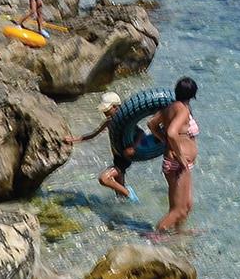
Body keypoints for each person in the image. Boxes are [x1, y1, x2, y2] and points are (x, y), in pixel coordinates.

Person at [67, 92, 141, 202]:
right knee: (119, 193)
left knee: (104, 179)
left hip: (124, 158)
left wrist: (133, 148)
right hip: (117, 158)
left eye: (107, 110)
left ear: (116, 107)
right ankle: (129, 205)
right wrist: (74, 139)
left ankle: (130, 194)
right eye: (104, 110)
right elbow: (93, 134)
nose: (105, 113)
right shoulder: (109, 122)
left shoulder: (125, 121)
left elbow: (141, 133)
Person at [152, 77, 200, 233]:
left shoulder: (170, 108)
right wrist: (180, 156)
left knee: (187, 205)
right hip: (179, 163)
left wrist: (164, 141)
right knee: (178, 210)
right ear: (193, 94)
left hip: (179, 162)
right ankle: (155, 235)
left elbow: (152, 124)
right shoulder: (183, 110)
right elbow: (172, 132)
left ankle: (179, 233)